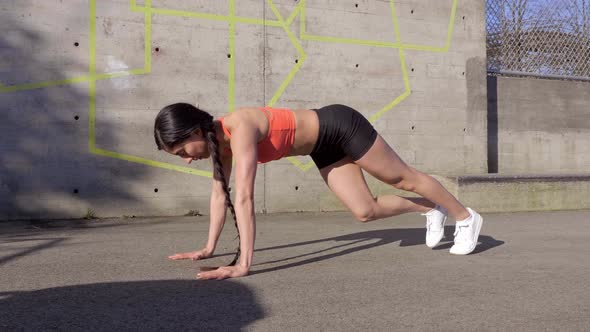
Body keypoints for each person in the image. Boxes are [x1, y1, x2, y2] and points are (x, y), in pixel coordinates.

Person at [153, 103, 483, 280]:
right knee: (364, 211)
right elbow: (218, 195)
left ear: (194, 130)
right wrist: (209, 248)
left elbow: (244, 197)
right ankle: (428, 209)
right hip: (321, 147)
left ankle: (465, 217)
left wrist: (243, 265)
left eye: (182, 151)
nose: (186, 159)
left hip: (339, 126)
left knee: (402, 178)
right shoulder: (217, 146)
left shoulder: (238, 127)